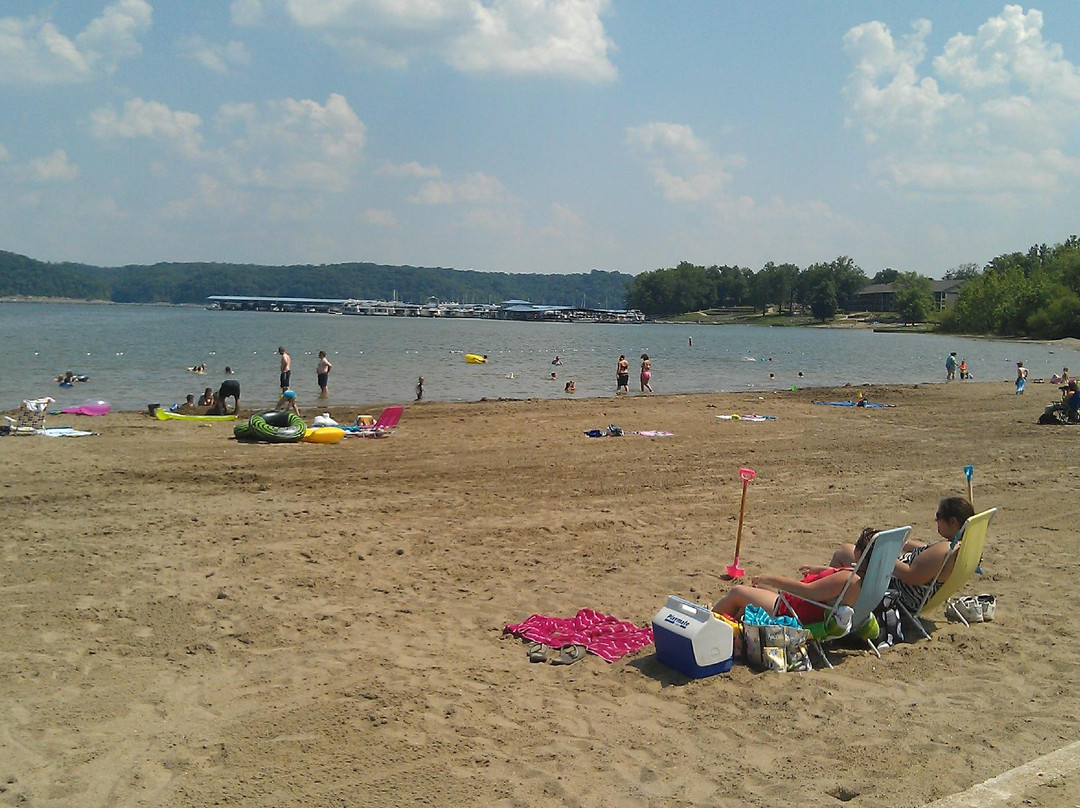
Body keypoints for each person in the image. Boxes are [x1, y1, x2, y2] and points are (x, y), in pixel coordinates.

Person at [829, 496, 976, 615]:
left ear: (953, 521)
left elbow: (911, 576)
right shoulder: (960, 545)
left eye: (938, 516)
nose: (936, 520)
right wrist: (896, 542)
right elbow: (926, 550)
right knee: (851, 552)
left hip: (897, 593)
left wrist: (881, 554)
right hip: (904, 587)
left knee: (845, 552)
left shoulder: (945, 550)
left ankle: (831, 608)